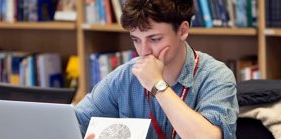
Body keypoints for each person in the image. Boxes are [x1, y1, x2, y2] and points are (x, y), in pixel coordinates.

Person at [75, 0, 239, 138]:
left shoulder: (216, 76)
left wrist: (157, 85)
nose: (144, 51)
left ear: (183, 31)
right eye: (136, 40)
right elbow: (76, 122)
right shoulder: (125, 76)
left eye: (154, 39)